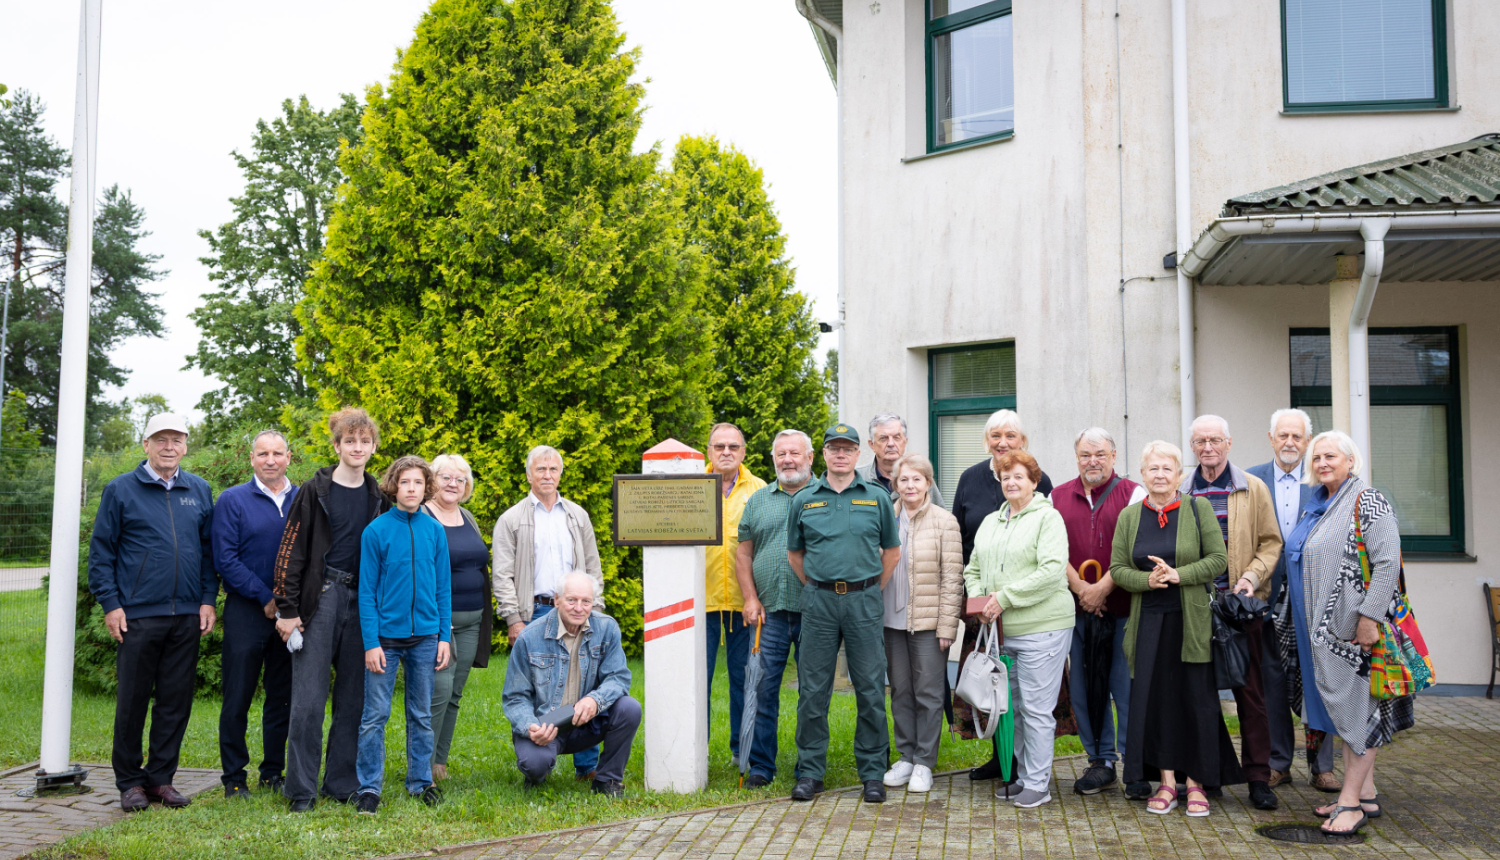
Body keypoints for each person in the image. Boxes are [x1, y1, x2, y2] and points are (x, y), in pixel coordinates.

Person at [88, 413, 217, 812]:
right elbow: (101, 553)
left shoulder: (199, 489)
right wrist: (111, 604)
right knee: (133, 701)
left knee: (175, 701)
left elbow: (209, 553)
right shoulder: (121, 490)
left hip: (186, 616)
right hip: (138, 615)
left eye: (176, 440)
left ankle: (161, 779)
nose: (169, 447)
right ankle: (129, 783)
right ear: (145, 444)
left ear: (185, 446)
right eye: (160, 439)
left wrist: (208, 599)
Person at [1287, 430, 1413, 835]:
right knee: (1348, 710)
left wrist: (1369, 618)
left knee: (1359, 713)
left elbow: (1386, 562)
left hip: (1355, 632)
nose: (1322, 463)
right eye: (1317, 458)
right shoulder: (1323, 503)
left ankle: (1349, 804)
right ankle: (1366, 794)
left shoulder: (1368, 499)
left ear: (1350, 461)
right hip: (1328, 635)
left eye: (1330, 456)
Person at [1112, 441, 1241, 818]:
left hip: (1192, 623)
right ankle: (1167, 783)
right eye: (1153, 468)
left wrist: (1178, 574)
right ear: (1142, 475)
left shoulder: (1197, 509)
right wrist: (1146, 581)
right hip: (1148, 623)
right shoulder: (1130, 517)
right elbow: (1118, 569)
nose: (1160, 475)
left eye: (1168, 468)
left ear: (1179, 475)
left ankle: (1197, 782)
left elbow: (1218, 560)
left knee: (1195, 701)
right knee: (1157, 704)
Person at [273, 408, 390, 812]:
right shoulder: (313, 490)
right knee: (307, 702)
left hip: (364, 603)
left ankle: (340, 782)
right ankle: (300, 790)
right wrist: (286, 610)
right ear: (337, 445)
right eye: (349, 441)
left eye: (365, 441)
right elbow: (289, 552)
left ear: (373, 447)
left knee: (353, 700)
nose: (357, 448)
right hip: (320, 599)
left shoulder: (380, 496)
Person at [786, 423, 900, 804]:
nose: (841, 454)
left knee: (869, 688)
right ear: (823, 454)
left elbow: (891, 553)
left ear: (858, 454)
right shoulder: (804, 499)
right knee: (813, 692)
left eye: (847, 449)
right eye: (834, 448)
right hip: (818, 603)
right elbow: (795, 555)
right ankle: (810, 772)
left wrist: (867, 590)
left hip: (864, 601)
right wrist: (821, 586)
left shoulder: (877, 497)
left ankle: (872, 773)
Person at [1181, 415, 1282, 811]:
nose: (1208, 447)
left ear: (1229, 442)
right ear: (1192, 446)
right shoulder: (1181, 490)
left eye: (1215, 440)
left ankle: (1258, 777)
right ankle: (1211, 772)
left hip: (1240, 609)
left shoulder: (1251, 488)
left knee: (1250, 694)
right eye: (1201, 441)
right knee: (1200, 696)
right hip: (1194, 611)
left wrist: (1251, 578)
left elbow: (1271, 543)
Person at [949, 408, 1053, 782]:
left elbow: (1049, 552)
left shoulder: (1040, 482)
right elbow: (961, 541)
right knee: (989, 683)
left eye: (1010, 435)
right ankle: (1000, 757)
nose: (1002, 442)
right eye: (995, 436)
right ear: (986, 441)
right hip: (983, 608)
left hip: (1027, 607)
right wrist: (973, 598)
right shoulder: (970, 479)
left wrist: (1006, 596)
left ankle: (1025, 766)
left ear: (1022, 441)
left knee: (1023, 691)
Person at [963, 450, 1072, 808]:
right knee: (1015, 707)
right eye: (1005, 476)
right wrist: (980, 600)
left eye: (1018, 476)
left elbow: (1052, 571)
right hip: (1001, 632)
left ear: (1033, 482)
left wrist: (1004, 598)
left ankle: (1039, 784)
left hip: (1043, 628)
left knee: (1038, 709)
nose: (1011, 482)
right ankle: (1024, 776)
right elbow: (973, 567)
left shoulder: (1048, 518)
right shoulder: (992, 522)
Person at [492, 444, 606, 779]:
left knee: (586, 683)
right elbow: (502, 573)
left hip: (579, 610)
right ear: (529, 474)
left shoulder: (576, 516)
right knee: (542, 688)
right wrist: (514, 618)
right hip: (537, 612)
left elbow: (593, 566)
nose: (547, 475)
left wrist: (594, 609)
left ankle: (587, 767)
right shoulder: (511, 519)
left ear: (560, 474)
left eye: (553, 469)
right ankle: (540, 752)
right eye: (540, 469)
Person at [1052, 428, 1147, 798]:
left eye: (1100, 454)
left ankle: (1133, 762)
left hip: (1123, 609)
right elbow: (1053, 550)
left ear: (1114, 455)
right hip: (1077, 613)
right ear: (1076, 457)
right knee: (1084, 687)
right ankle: (1100, 760)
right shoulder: (1057, 496)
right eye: (1085, 455)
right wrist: (1082, 590)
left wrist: (1103, 587)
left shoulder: (1133, 493)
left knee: (1125, 688)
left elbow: (1137, 547)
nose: (1093, 461)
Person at [353, 457, 452, 814]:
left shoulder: (434, 531)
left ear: (428, 488)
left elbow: (443, 587)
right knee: (375, 715)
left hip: (425, 637)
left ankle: (421, 781)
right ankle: (369, 788)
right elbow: (366, 591)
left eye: (418, 483)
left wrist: (443, 635)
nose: (412, 489)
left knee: (421, 714)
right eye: (405, 482)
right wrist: (371, 642)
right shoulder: (376, 531)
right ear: (394, 486)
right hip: (386, 641)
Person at [1246, 410, 1335, 791]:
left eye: (1297, 437)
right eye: (1283, 435)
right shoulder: (1251, 479)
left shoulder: (1325, 480)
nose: (1289, 443)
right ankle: (1279, 761)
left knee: (1321, 679)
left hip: (1314, 597)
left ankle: (1322, 766)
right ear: (1270, 438)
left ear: (1308, 440)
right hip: (1268, 596)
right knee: (1273, 681)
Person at [502, 572, 641, 798]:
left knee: (629, 708)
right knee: (534, 765)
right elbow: (515, 697)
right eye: (571, 600)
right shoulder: (529, 637)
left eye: (586, 601)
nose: (579, 608)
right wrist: (530, 727)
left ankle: (607, 781)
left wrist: (594, 700)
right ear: (557, 600)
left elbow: (618, 678)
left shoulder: (608, 629)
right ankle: (537, 773)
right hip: (546, 724)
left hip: (588, 721)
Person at [213, 429, 297, 800]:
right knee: (238, 697)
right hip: (247, 612)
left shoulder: (303, 499)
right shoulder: (232, 500)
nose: (270, 460)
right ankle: (234, 777)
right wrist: (266, 597)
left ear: (289, 458)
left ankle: (272, 772)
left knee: (282, 697)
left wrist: (288, 606)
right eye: (262, 454)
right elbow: (225, 558)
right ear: (252, 459)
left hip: (291, 617)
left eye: (277, 453)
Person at [735, 429, 816, 788]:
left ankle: (809, 766)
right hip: (769, 613)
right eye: (781, 454)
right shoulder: (758, 500)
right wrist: (750, 598)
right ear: (773, 459)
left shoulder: (825, 497)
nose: (788, 459)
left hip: (816, 612)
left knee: (812, 692)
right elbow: (744, 552)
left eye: (794, 453)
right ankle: (761, 766)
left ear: (810, 457)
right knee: (762, 689)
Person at [882, 454, 963, 795]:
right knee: (900, 690)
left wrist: (947, 626)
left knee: (929, 694)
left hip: (929, 623)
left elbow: (952, 578)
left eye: (917, 479)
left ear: (928, 483)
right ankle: (905, 756)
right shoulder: (885, 517)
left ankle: (924, 763)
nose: (910, 486)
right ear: (895, 484)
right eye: (904, 480)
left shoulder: (945, 522)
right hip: (891, 621)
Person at [424, 453, 492, 784]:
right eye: (445, 477)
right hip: (439, 621)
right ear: (431, 480)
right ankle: (421, 763)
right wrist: (438, 619)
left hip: (472, 620)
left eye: (460, 479)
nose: (453, 484)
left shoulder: (467, 517)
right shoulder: (422, 516)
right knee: (438, 689)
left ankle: (439, 761)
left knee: (454, 693)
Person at [703, 423, 766, 764]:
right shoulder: (692, 489)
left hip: (747, 603)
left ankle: (743, 752)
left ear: (743, 452)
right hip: (702, 602)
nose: (726, 452)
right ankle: (694, 750)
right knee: (697, 685)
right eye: (719, 446)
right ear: (709, 451)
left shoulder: (759, 490)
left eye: (733, 446)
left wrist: (756, 598)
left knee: (746, 683)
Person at [857, 414, 943, 507]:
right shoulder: (857, 478)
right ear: (871, 444)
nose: (891, 444)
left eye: (896, 438)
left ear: (905, 442)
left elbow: (941, 518)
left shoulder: (922, 477)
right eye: (883, 438)